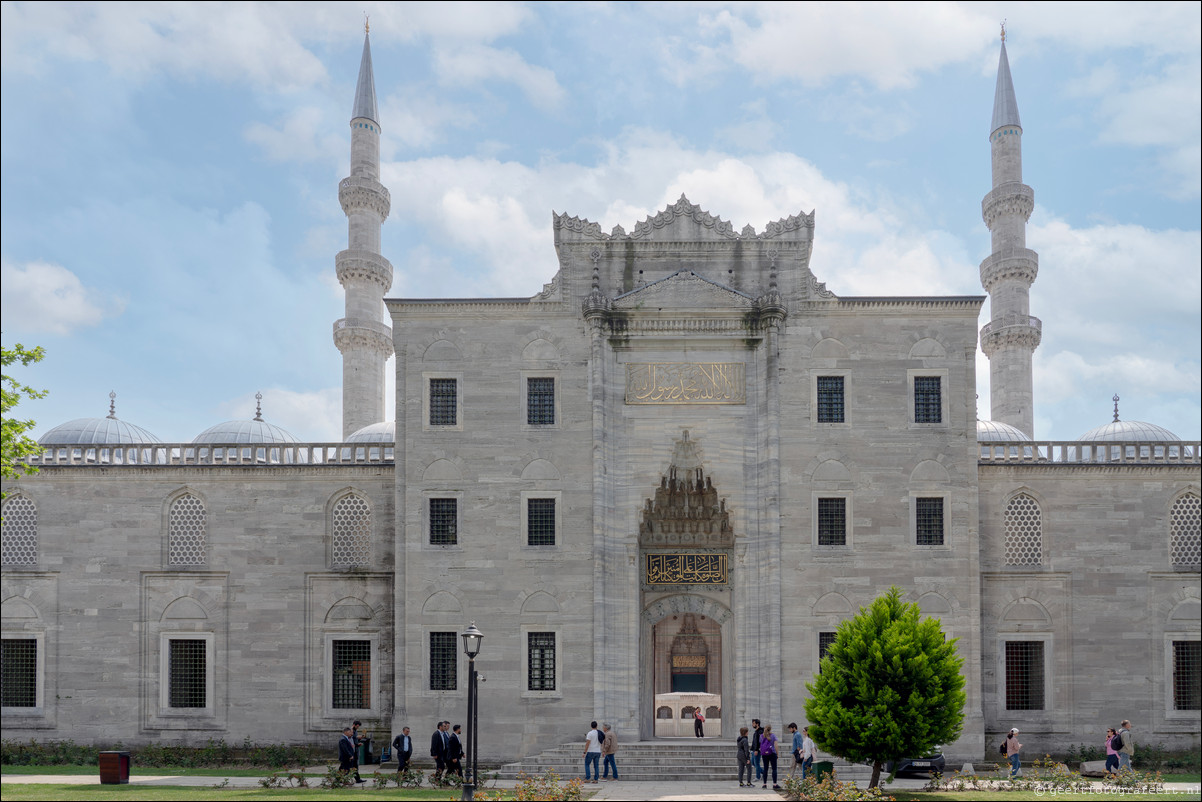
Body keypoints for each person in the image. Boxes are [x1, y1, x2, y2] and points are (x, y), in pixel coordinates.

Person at [760, 724, 780, 790]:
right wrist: (777, 754)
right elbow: (776, 745)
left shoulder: (761, 736)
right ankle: (774, 784)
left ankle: (764, 784)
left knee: (765, 769)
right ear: (770, 729)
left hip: (764, 754)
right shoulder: (773, 736)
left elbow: (761, 745)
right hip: (772, 753)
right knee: (774, 769)